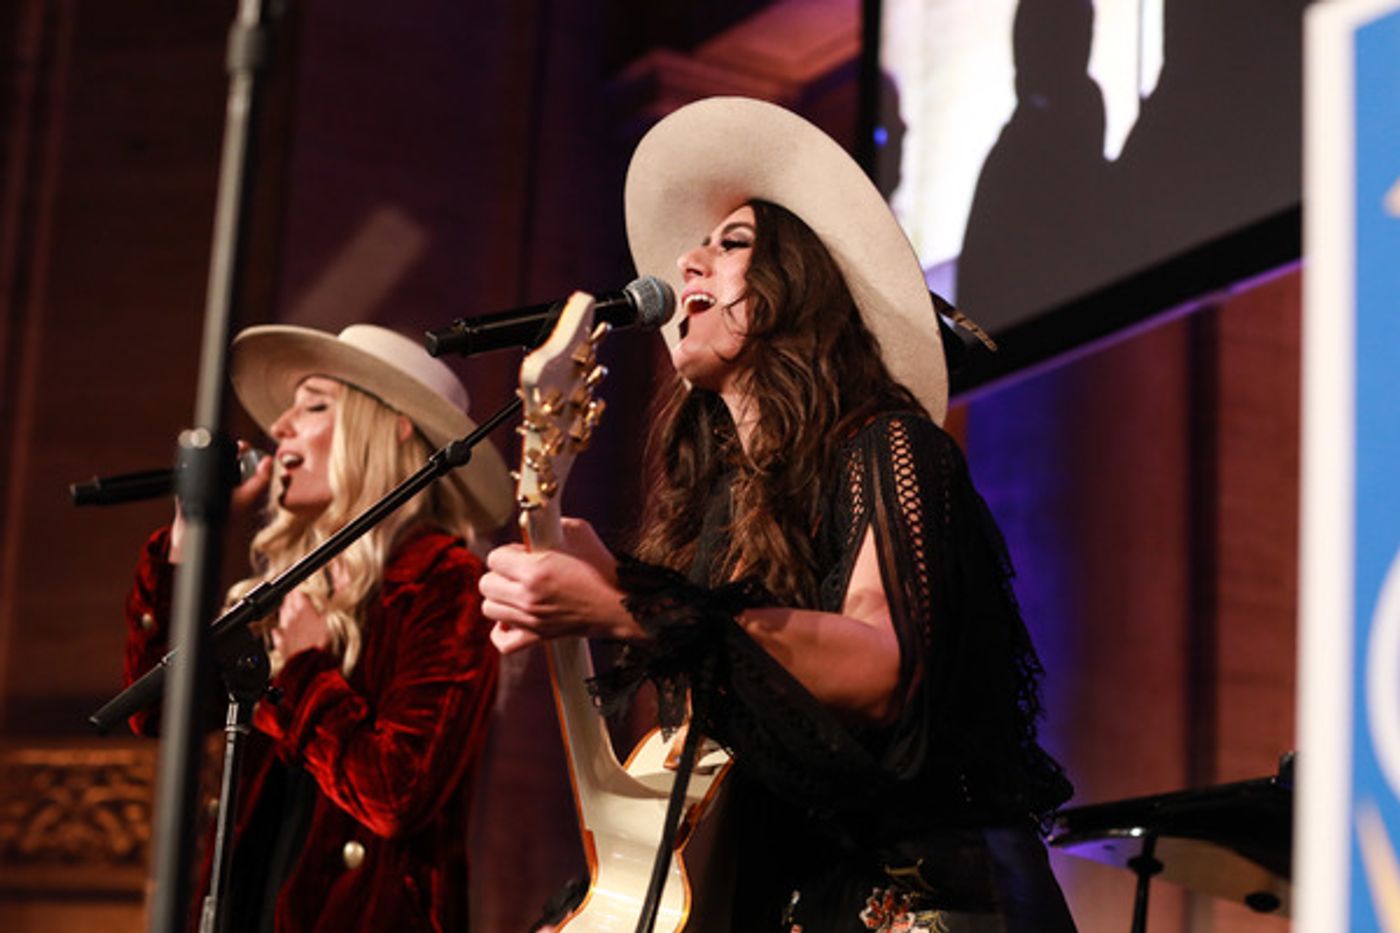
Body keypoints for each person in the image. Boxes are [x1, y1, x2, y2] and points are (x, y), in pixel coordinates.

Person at [480, 97, 1078, 931]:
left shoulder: (890, 444)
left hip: (931, 904)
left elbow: (881, 666)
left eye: (731, 244)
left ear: (798, 288)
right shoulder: (718, 514)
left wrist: (628, 605)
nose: (687, 261)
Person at [122, 324, 513, 932]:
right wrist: (188, 538)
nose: (280, 427)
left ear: (388, 428)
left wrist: (305, 672)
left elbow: (397, 795)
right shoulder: (284, 590)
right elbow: (156, 712)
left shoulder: (444, 582)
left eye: (314, 406)